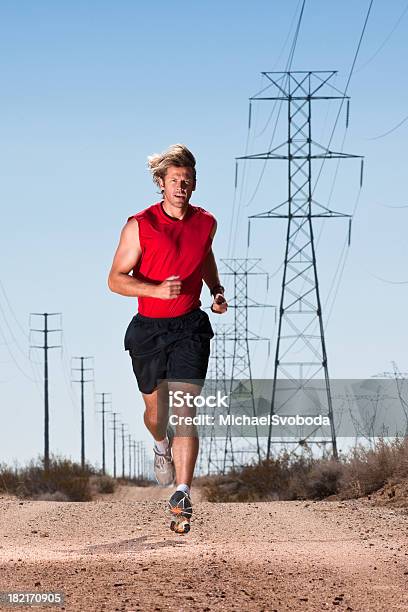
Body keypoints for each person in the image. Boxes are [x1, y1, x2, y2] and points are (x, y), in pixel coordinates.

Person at [108, 144, 227, 533]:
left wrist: (216, 289)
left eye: (188, 180)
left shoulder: (206, 222)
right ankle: (161, 446)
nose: (182, 185)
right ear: (161, 184)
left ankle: (182, 491)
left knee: (184, 410)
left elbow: (204, 254)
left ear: (194, 184)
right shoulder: (140, 225)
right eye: (175, 179)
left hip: (190, 328)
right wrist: (157, 290)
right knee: (158, 416)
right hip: (149, 329)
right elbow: (115, 279)